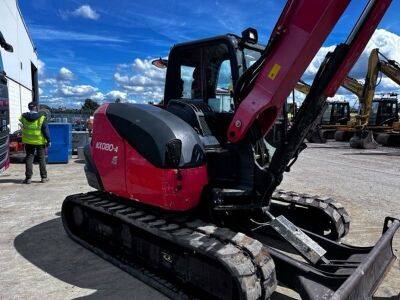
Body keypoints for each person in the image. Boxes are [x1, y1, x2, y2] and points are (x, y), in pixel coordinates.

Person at [19, 102, 51, 184]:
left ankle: (28, 178)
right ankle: (44, 177)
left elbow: (22, 125)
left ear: (29, 108)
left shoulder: (23, 117)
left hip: (28, 141)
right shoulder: (42, 117)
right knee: (41, 159)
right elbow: (45, 131)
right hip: (39, 141)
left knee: (29, 158)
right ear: (36, 108)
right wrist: (49, 140)